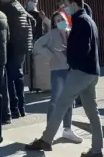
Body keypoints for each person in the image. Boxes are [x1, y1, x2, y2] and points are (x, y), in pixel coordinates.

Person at [25, 0, 104, 157]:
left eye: (66, 4)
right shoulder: (89, 20)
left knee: (61, 104)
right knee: (92, 111)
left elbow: (84, 48)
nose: (63, 7)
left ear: (74, 4)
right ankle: (97, 149)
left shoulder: (80, 21)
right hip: (91, 72)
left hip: (80, 72)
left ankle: (46, 140)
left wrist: (70, 56)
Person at [32, 10, 83, 143]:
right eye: (58, 20)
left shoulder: (71, 32)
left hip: (71, 70)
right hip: (58, 70)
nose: (61, 22)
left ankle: (67, 129)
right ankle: (50, 130)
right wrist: (50, 55)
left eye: (62, 19)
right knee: (55, 100)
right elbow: (37, 45)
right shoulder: (52, 34)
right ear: (54, 23)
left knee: (70, 100)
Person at [0, 0, 32, 119]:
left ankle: (14, 108)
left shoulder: (7, 9)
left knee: (10, 78)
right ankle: (22, 107)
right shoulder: (21, 8)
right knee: (18, 76)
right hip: (22, 48)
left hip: (12, 47)